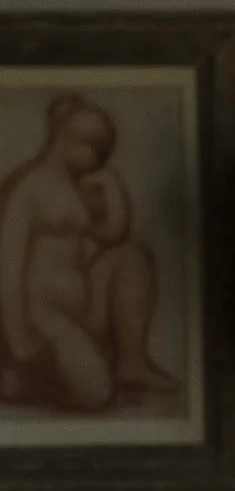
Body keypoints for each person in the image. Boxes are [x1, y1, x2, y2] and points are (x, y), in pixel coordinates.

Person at [0, 94, 177, 410]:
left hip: (83, 309)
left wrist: (113, 187)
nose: (101, 155)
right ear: (62, 138)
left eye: (104, 148)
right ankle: (23, 378)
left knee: (132, 257)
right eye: (92, 145)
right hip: (46, 317)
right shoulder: (28, 189)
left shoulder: (79, 187)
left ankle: (131, 361)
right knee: (96, 395)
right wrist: (19, 338)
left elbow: (114, 235)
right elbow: (8, 265)